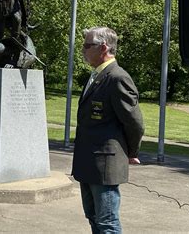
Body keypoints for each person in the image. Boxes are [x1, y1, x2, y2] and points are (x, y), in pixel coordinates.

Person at [72, 26, 144, 233]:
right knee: (93, 217)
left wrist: (132, 152)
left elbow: (134, 122)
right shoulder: (97, 75)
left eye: (87, 45)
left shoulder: (117, 78)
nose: (83, 50)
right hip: (88, 162)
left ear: (103, 47)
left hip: (105, 163)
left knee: (107, 222)